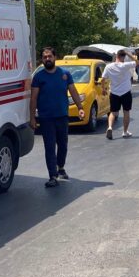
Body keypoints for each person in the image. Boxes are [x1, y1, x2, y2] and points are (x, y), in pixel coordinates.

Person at [30, 47, 85, 188]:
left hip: (62, 116)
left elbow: (73, 91)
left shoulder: (65, 74)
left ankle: (61, 167)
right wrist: (32, 117)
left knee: (63, 145)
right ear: (42, 60)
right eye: (45, 57)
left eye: (49, 56)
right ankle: (52, 176)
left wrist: (80, 108)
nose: (47, 59)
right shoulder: (38, 77)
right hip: (46, 118)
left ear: (55, 57)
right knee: (49, 147)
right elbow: (34, 98)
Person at [101, 49, 137, 139]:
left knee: (113, 112)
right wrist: (128, 53)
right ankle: (125, 132)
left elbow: (103, 79)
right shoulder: (125, 65)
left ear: (116, 56)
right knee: (126, 112)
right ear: (123, 57)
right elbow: (137, 61)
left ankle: (110, 127)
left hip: (114, 93)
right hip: (126, 92)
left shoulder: (108, 66)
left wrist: (103, 89)